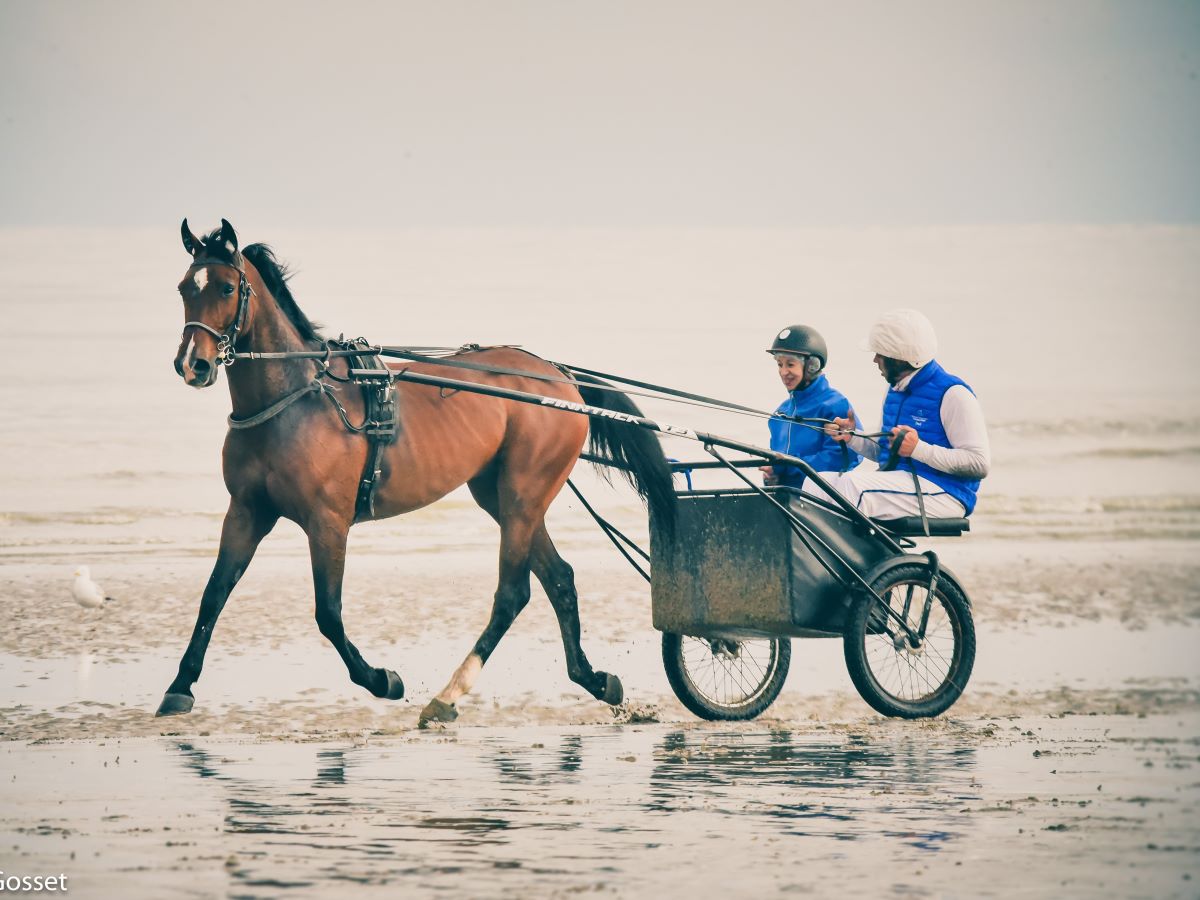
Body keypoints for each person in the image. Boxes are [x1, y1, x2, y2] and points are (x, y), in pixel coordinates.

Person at [816, 308, 990, 519]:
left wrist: (919, 449)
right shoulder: (895, 390)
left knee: (852, 487)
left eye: (879, 354)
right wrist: (852, 437)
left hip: (947, 493)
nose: (875, 360)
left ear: (897, 358)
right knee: (815, 484)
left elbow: (979, 464)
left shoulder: (954, 394)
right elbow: (885, 452)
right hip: (904, 482)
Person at [762, 324, 861, 489]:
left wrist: (786, 467)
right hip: (788, 501)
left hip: (823, 501)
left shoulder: (835, 405)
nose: (783, 372)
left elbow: (840, 459)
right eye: (780, 365)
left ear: (812, 366)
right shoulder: (779, 415)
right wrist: (772, 476)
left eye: (790, 364)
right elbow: (777, 466)